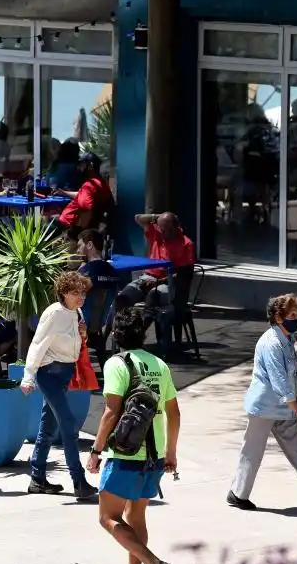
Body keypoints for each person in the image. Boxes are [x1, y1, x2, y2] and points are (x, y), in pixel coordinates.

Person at [89, 307, 178, 564]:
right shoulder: (160, 365)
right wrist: (171, 453)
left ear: (116, 335)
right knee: (135, 516)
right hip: (154, 456)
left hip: (126, 454)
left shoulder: (117, 364)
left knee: (107, 517)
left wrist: (96, 450)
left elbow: (111, 412)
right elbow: (174, 413)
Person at [227, 293, 297, 511]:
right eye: (292, 314)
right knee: (252, 451)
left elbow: (289, 372)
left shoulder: (287, 339)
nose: (296, 318)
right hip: (265, 407)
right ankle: (237, 494)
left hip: (283, 407)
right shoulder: (271, 343)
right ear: (279, 317)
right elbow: (279, 381)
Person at [21, 271, 97, 500]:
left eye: (82, 293)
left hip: (63, 374)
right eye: (75, 293)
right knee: (68, 423)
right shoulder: (54, 313)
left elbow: (76, 343)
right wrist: (28, 376)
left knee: (48, 427)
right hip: (49, 374)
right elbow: (37, 344)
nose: (80, 297)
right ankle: (78, 480)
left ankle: (37, 477)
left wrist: (83, 335)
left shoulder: (77, 313)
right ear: (63, 293)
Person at [116, 211, 196, 329]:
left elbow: (184, 274)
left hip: (169, 283)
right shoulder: (158, 233)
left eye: (164, 229)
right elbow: (138, 218)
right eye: (160, 228)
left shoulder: (186, 243)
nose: (161, 232)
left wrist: (158, 282)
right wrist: (157, 217)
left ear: (174, 228)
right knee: (123, 297)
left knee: (153, 296)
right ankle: (118, 332)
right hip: (148, 277)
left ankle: (138, 333)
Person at [78, 229, 118, 367]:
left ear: (89, 245)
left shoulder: (87, 271)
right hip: (99, 324)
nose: (77, 250)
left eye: (79, 246)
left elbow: (72, 295)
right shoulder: (113, 271)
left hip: (79, 326)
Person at [55, 152, 114, 232]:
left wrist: (79, 233)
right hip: (71, 225)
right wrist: (64, 192)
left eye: (82, 165)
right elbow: (83, 196)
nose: (80, 168)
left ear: (90, 165)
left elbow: (86, 211)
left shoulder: (89, 185)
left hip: (69, 227)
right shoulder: (99, 183)